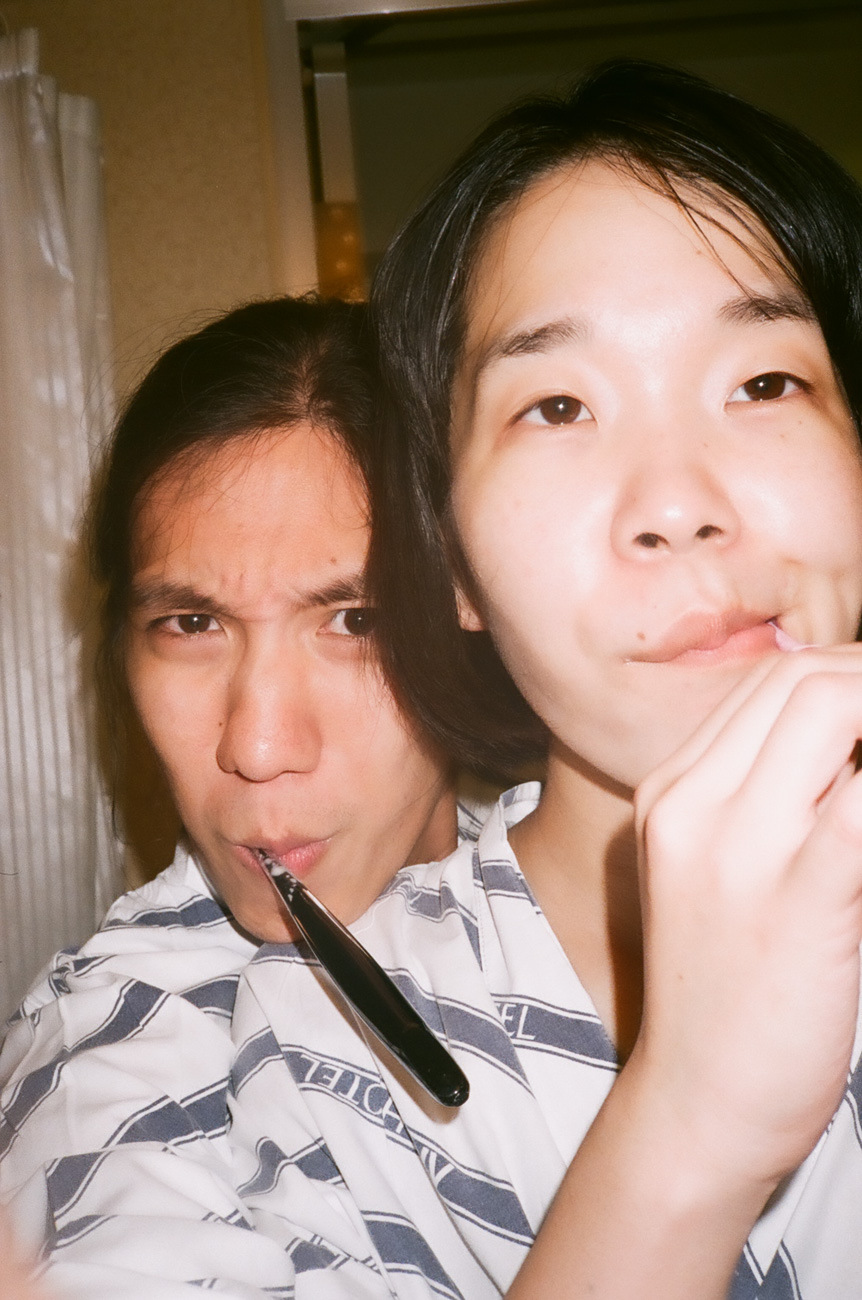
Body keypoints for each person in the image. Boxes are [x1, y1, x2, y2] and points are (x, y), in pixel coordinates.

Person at [222, 61, 862, 1299]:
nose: (676, 503)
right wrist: (689, 1135)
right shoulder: (317, 1049)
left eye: (763, 382)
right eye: (557, 406)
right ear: (453, 562)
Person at [0, 295, 489, 1295]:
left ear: (475, 615)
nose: (257, 748)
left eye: (355, 619)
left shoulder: (595, 900)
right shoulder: (124, 1049)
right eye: (191, 624)